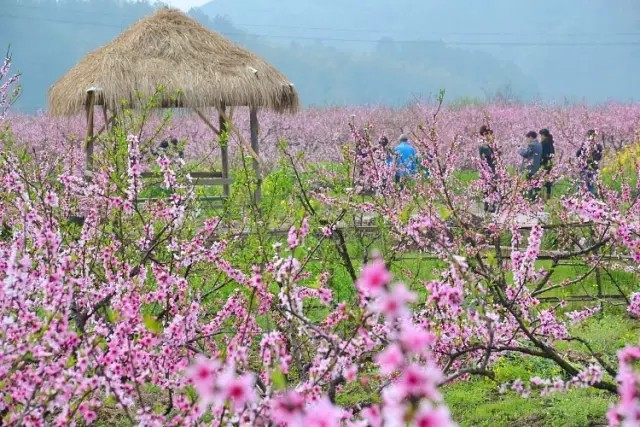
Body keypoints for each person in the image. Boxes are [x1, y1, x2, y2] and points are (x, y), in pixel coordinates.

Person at [576, 129, 603, 196]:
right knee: (590, 185)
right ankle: (590, 200)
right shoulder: (598, 146)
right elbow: (599, 157)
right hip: (592, 167)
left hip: (584, 167)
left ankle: (582, 198)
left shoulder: (585, 144)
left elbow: (577, 154)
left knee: (583, 184)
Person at [478, 125, 497, 212]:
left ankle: (491, 204)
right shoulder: (483, 144)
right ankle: (488, 204)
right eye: (488, 134)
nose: (490, 136)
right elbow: (491, 155)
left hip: (492, 167)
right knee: (488, 187)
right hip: (487, 169)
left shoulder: (489, 144)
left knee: (492, 187)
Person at [519, 131, 543, 201]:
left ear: (530, 137)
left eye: (527, 138)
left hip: (530, 168)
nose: (527, 140)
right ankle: (533, 199)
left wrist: (520, 150)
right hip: (537, 168)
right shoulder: (540, 145)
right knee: (535, 184)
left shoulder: (532, 145)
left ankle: (527, 199)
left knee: (527, 184)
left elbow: (526, 154)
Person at [539, 128, 555, 201]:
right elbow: (552, 154)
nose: (540, 137)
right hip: (550, 164)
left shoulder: (544, 143)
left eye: (541, 135)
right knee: (548, 181)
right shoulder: (551, 143)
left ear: (544, 135)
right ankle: (548, 197)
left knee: (542, 181)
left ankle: (542, 197)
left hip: (544, 164)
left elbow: (541, 154)